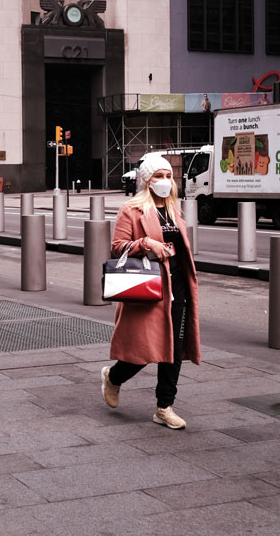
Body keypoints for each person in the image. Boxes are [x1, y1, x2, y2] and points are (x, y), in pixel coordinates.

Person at [100, 154, 201, 430]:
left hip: (177, 286)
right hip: (150, 287)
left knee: (174, 350)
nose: (165, 182)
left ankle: (164, 407)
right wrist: (145, 243)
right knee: (143, 351)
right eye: (158, 176)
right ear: (146, 180)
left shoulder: (173, 209)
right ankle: (114, 377)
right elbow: (118, 246)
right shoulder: (131, 210)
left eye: (168, 176)